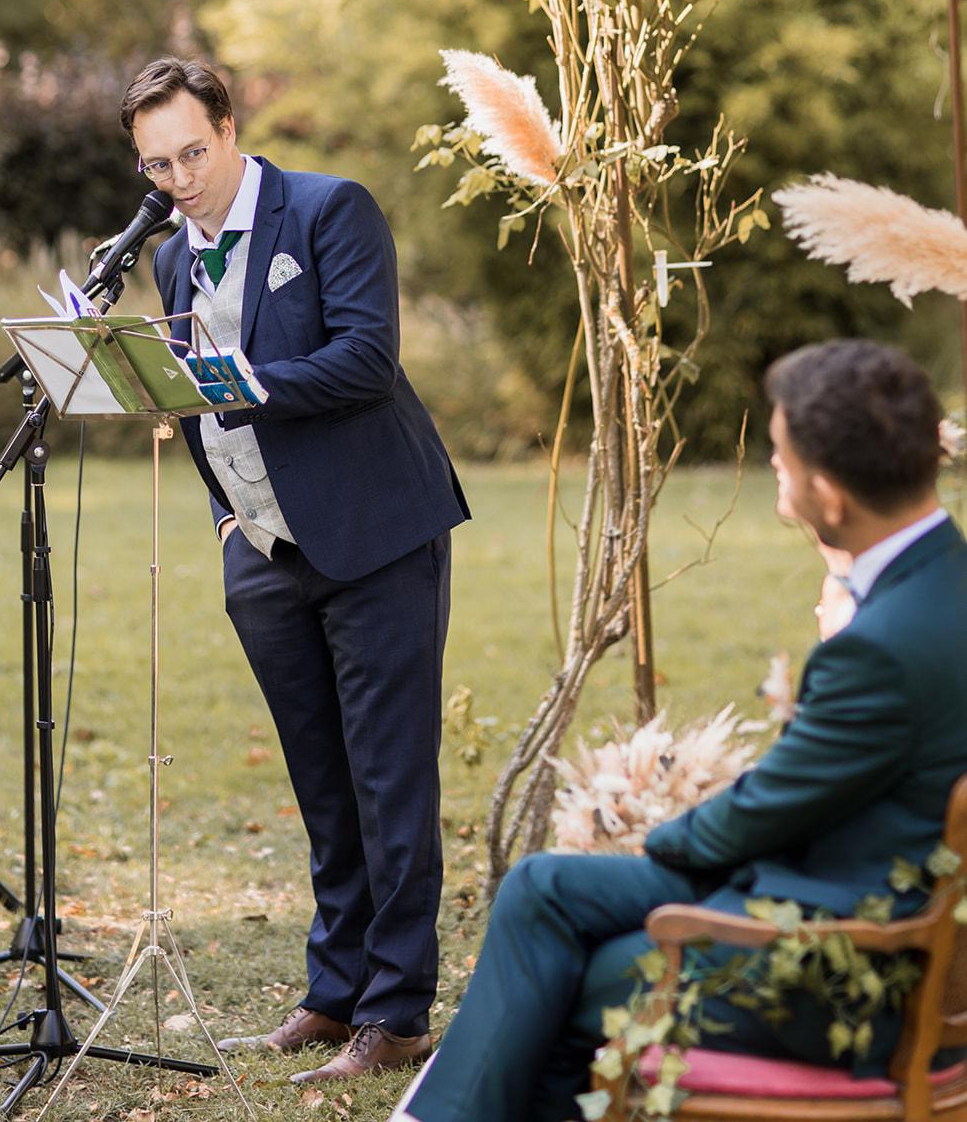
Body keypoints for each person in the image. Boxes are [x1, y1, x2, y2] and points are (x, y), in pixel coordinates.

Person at [392, 338, 967, 1122]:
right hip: (850, 887)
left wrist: (657, 836)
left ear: (827, 496)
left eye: (778, 456)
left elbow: (764, 811)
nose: (772, 467)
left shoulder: (882, 646)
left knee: (568, 975)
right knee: (539, 888)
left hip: (838, 963)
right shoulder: (939, 582)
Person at [118, 57, 470, 1081]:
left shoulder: (327, 211)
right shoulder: (171, 261)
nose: (178, 176)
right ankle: (333, 989)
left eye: (191, 149)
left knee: (386, 777)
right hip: (263, 553)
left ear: (227, 126)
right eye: (156, 163)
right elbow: (191, 407)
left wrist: (237, 382)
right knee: (321, 781)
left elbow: (366, 358)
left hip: (374, 535)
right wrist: (229, 525)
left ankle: (397, 1013)